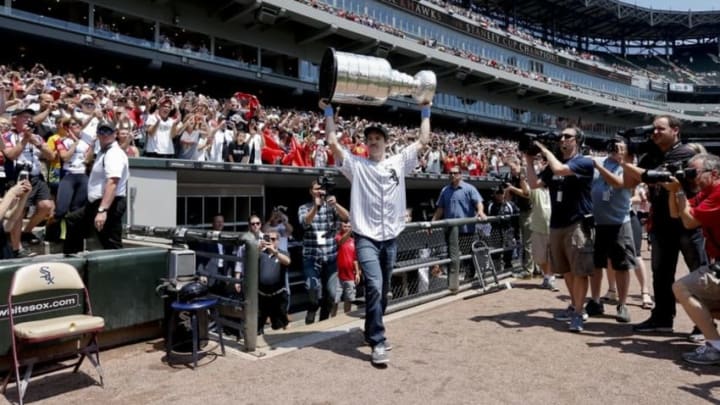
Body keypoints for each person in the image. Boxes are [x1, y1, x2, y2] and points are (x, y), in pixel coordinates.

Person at [323, 99, 431, 365]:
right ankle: (378, 340)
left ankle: (371, 329)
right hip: (367, 238)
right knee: (373, 285)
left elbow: (423, 140)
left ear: (385, 141)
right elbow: (333, 143)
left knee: (382, 292)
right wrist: (327, 111)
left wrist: (426, 110)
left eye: (377, 138)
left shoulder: (398, 161)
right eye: (369, 138)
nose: (373, 141)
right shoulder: (357, 165)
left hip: (391, 237)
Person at [621, 115, 707, 334]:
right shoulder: (650, 154)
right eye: (653, 129)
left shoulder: (685, 152)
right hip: (661, 220)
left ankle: (703, 324)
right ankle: (662, 318)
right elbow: (629, 183)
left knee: (697, 271)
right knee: (661, 273)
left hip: (687, 220)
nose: (655, 132)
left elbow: (656, 177)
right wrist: (628, 155)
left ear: (675, 130)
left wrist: (625, 163)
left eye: (660, 129)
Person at [525, 126, 595, 332]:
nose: (562, 139)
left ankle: (579, 313)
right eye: (561, 136)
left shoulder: (584, 161)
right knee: (566, 271)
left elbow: (560, 170)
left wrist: (545, 150)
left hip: (577, 223)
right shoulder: (555, 163)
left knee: (579, 271)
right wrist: (529, 160)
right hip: (556, 224)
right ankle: (575, 306)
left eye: (567, 136)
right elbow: (534, 184)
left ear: (578, 141)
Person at [666, 153, 720, 364]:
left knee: (681, 288)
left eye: (694, 172)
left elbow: (689, 222)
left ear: (714, 173)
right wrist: (674, 190)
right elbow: (675, 213)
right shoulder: (707, 192)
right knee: (708, 304)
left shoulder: (717, 192)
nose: (690, 177)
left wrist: (678, 190)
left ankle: (715, 347)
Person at [587, 140, 635, 323]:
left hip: (619, 223)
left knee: (622, 265)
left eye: (622, 148)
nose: (618, 151)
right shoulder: (601, 161)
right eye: (615, 148)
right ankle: (595, 300)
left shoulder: (628, 166)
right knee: (596, 264)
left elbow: (618, 183)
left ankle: (622, 304)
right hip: (598, 222)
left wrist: (599, 168)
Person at [63, 121, 129, 253]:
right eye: (101, 131)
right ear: (97, 134)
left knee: (111, 244)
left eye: (108, 131)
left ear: (115, 134)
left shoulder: (113, 153)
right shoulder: (103, 151)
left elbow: (112, 182)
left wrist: (102, 211)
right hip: (97, 203)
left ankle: (121, 270)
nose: (105, 134)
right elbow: (87, 160)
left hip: (109, 204)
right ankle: (75, 261)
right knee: (73, 220)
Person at [4, 108, 56, 257]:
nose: (28, 120)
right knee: (18, 212)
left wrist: (37, 144)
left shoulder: (37, 137)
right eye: (24, 117)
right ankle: (16, 247)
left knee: (46, 206)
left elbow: (51, 155)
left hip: (36, 175)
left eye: (30, 118)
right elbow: (11, 156)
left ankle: (26, 232)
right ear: (15, 120)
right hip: (18, 175)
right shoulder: (7, 136)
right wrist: (25, 139)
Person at [297, 178, 349, 324]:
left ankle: (323, 323)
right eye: (315, 189)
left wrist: (336, 204)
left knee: (331, 295)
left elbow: (347, 217)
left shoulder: (330, 206)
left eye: (321, 189)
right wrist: (315, 207)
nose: (319, 191)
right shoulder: (304, 207)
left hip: (330, 258)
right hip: (312, 257)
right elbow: (304, 223)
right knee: (313, 294)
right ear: (310, 191)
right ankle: (311, 313)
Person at [431, 167, 486, 280]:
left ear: (460, 175)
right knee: (452, 255)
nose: (452, 175)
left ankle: (469, 276)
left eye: (455, 173)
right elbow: (440, 209)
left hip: (467, 230)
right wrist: (432, 223)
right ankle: (453, 278)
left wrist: (480, 211)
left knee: (468, 255)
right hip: (451, 230)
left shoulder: (469, 188)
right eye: (450, 173)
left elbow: (479, 203)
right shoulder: (445, 190)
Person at [257, 229, 291, 335]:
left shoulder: (282, 253)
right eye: (268, 239)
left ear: (278, 241)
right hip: (262, 295)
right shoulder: (261, 254)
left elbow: (287, 261)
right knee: (258, 325)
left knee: (280, 325)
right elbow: (249, 260)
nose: (270, 241)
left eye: (273, 239)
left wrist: (275, 252)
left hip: (278, 296)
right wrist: (258, 248)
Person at [504, 158, 533, 278]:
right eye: (510, 169)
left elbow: (527, 194)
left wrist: (512, 188)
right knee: (528, 242)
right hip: (523, 212)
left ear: (518, 165)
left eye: (513, 168)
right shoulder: (514, 179)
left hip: (530, 212)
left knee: (528, 243)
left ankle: (528, 270)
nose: (512, 171)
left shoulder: (523, 175)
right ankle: (533, 269)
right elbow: (507, 199)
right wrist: (507, 190)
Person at [336, 220, 360, 313]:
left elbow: (355, 259)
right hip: (338, 275)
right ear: (341, 227)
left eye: (349, 226)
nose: (346, 228)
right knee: (335, 300)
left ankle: (346, 317)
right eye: (344, 226)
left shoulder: (354, 241)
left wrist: (357, 273)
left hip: (350, 275)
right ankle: (333, 320)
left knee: (349, 299)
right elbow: (341, 242)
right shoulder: (337, 237)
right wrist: (351, 231)